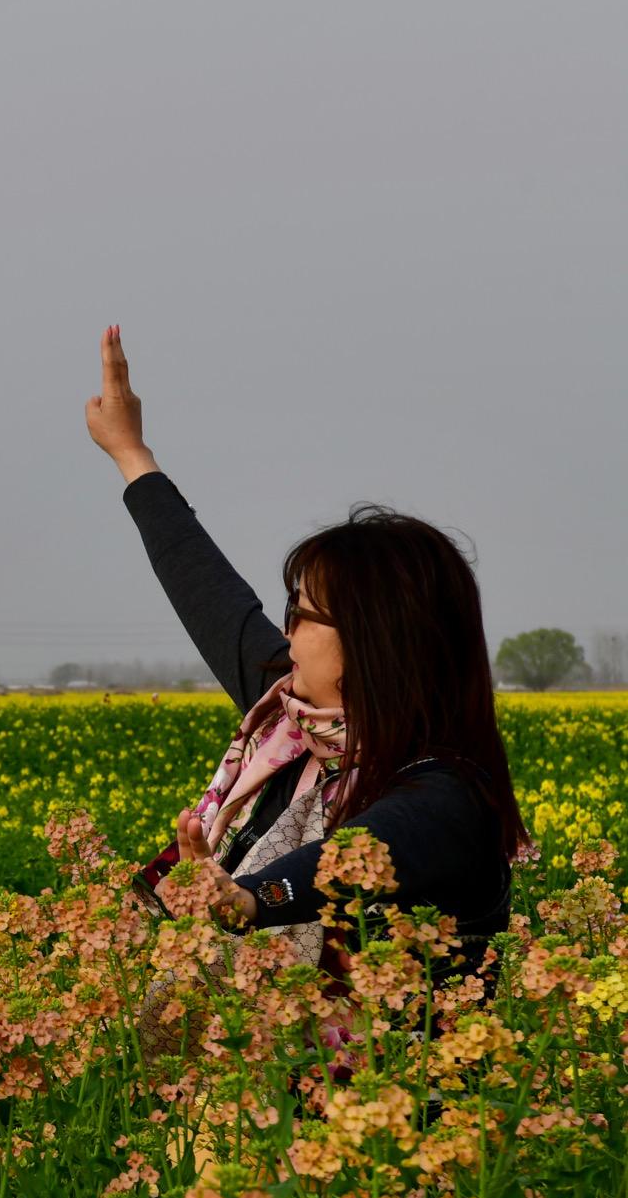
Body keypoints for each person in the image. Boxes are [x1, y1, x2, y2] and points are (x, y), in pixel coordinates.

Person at [84, 327, 521, 965]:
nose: (286, 632)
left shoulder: (446, 797)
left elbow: (360, 853)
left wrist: (246, 900)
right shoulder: (294, 727)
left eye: (304, 614)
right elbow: (212, 597)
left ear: (378, 645)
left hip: (391, 1064)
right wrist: (131, 456)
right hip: (264, 1061)